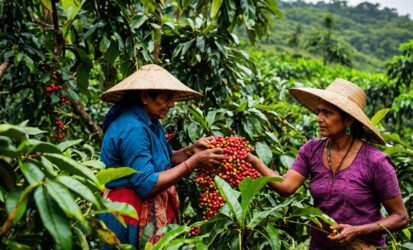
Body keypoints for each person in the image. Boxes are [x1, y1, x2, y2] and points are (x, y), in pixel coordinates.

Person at [247, 79, 408, 249]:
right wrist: (254, 160)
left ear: (348, 120)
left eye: (327, 113)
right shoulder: (311, 150)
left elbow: (400, 216)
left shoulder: (375, 161)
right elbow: (286, 186)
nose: (319, 119)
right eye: (319, 112)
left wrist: (358, 230)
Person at [98, 64, 224, 248]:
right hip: (126, 214)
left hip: (139, 209)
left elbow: (166, 158)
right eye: (166, 98)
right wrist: (194, 162)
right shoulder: (132, 128)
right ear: (145, 97)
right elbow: (147, 185)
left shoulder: (151, 121)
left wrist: (191, 150)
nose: (172, 104)